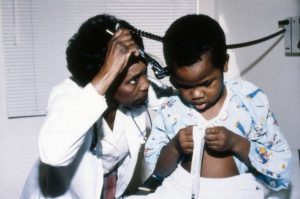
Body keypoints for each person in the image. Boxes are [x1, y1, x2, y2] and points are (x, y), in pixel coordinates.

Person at [127, 14, 292, 199]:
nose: (196, 94)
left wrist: (236, 143)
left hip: (236, 191)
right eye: (185, 86)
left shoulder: (250, 100)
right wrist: (175, 147)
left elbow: (280, 164)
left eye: (207, 83)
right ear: (173, 79)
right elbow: (158, 172)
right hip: (178, 189)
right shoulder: (171, 108)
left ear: (225, 64)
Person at [20, 14, 171, 199]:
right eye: (133, 80)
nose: (146, 84)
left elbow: (182, 94)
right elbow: (53, 154)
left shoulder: (135, 90)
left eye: (144, 73)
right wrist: (109, 71)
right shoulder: (67, 94)